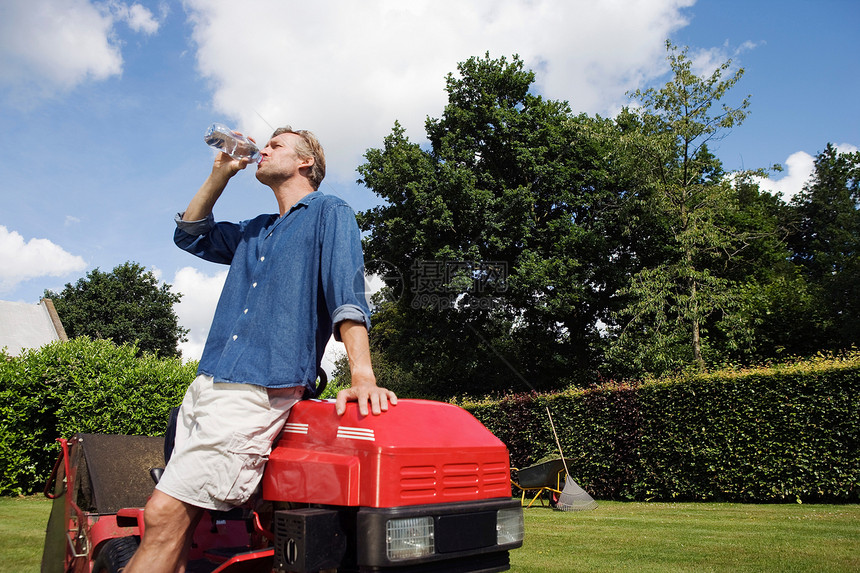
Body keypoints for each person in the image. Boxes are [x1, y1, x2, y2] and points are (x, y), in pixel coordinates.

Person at [125, 126, 397, 573]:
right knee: (178, 533)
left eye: (275, 145)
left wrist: (362, 373)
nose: (262, 150)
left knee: (162, 516)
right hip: (210, 380)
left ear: (306, 162)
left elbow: (347, 295)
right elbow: (190, 235)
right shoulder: (256, 230)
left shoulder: (330, 212)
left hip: (256, 388)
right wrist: (221, 173)